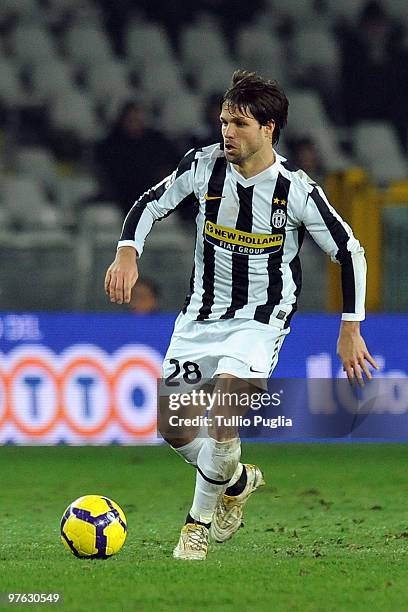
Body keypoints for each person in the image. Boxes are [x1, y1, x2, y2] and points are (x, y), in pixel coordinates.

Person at [105, 70, 378, 561]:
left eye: (239, 123)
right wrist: (128, 250)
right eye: (224, 121)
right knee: (173, 427)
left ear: (269, 128)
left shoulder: (296, 190)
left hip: (260, 321)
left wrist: (350, 327)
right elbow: (151, 203)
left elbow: (350, 251)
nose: (227, 132)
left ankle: (196, 527)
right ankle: (234, 480)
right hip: (199, 318)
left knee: (223, 411)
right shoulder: (203, 166)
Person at [95, 101, 178, 217]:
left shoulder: (156, 141)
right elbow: (111, 174)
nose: (134, 123)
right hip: (124, 194)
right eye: (130, 120)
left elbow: (169, 164)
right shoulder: (111, 144)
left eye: (138, 119)